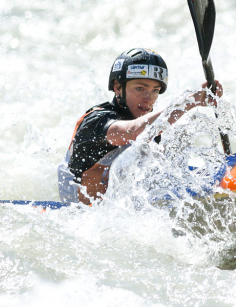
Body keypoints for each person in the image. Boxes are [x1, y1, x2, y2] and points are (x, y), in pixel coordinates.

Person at [58, 48, 223, 205]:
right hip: (82, 218)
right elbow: (132, 131)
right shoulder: (96, 121)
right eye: (140, 88)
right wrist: (189, 101)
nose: (148, 99)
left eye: (155, 91)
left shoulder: (152, 129)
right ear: (117, 87)